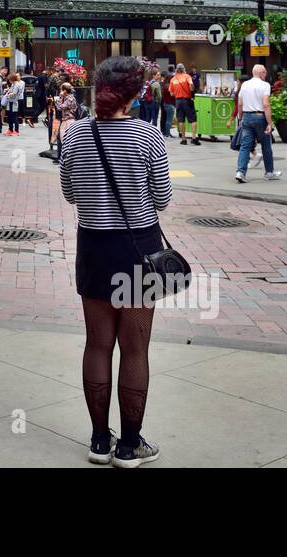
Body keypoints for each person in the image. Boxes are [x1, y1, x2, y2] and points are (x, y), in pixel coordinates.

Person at [58, 56, 171, 467]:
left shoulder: (73, 136)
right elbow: (162, 200)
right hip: (138, 248)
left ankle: (99, 441)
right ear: (136, 93)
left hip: (93, 247)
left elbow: (70, 194)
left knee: (98, 344)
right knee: (135, 350)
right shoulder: (148, 136)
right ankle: (130, 444)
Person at [234, 64, 282, 184]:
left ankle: (240, 172)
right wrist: (269, 123)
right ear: (260, 73)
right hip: (260, 116)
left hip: (246, 117)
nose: (265, 75)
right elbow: (266, 104)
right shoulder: (265, 85)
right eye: (264, 73)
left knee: (245, 145)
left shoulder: (245, 85)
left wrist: (240, 118)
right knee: (266, 145)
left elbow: (240, 104)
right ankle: (269, 172)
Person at [170, 64, 198, 145]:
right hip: (187, 100)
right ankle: (193, 138)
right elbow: (191, 85)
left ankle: (183, 139)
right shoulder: (187, 76)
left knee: (181, 119)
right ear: (183, 69)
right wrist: (191, 91)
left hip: (178, 101)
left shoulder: (173, 79)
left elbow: (171, 93)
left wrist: (178, 92)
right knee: (193, 119)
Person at [3, 71, 24, 135]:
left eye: (9, 80)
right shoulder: (13, 84)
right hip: (10, 102)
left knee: (14, 117)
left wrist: (7, 95)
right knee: (10, 117)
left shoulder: (17, 85)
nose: (9, 81)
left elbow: (14, 93)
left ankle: (16, 131)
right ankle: (10, 129)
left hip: (14, 102)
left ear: (12, 79)